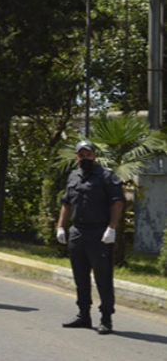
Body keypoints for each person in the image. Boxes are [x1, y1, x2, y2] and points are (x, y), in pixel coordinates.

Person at [57, 140, 124, 335]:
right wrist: (61, 226)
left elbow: (117, 203)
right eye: (81, 155)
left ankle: (106, 318)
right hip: (77, 232)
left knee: (103, 277)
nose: (84, 158)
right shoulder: (73, 175)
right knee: (80, 277)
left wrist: (112, 228)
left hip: (98, 232)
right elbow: (66, 203)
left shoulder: (106, 176)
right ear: (76, 156)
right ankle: (83, 315)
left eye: (88, 154)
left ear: (94, 155)